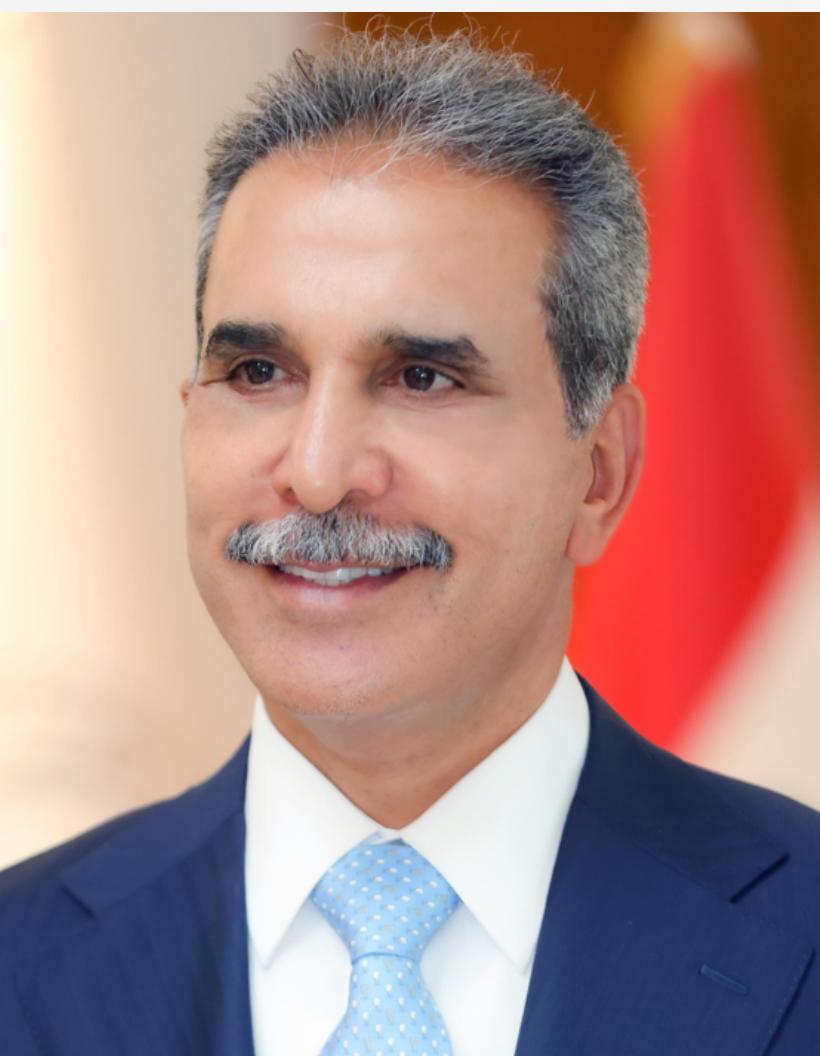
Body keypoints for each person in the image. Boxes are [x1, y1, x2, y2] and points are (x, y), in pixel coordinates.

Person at [1, 27, 818, 1055]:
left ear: (600, 471)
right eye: (257, 373)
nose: (317, 471)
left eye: (421, 378)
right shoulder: (18, 959)